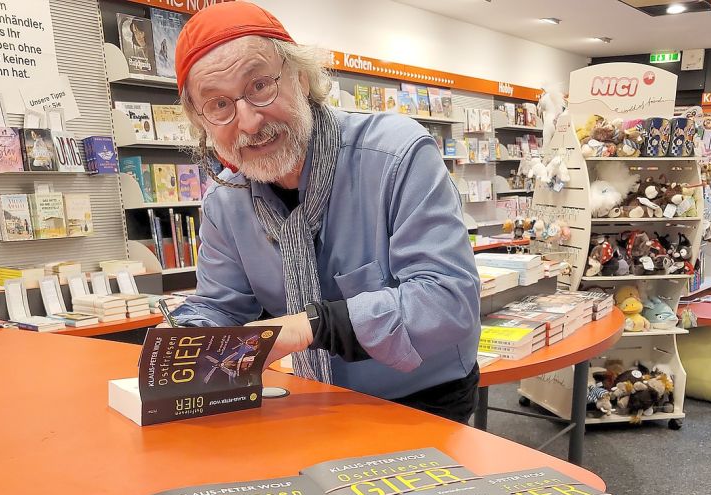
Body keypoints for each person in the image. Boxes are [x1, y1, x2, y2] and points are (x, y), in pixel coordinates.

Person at [166, 2, 482, 423]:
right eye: (219, 105)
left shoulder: (397, 154)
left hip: (423, 398)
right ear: (201, 121)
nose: (247, 122)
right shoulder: (226, 201)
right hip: (312, 399)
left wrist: (309, 326)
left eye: (260, 85)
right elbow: (221, 307)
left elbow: (448, 302)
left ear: (300, 77)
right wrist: (189, 339)